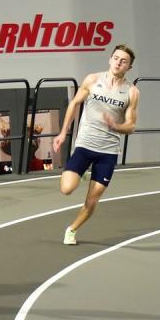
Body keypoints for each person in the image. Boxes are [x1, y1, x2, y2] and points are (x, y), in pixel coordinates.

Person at [51, 45, 139, 244]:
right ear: (110, 59)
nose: (118, 63)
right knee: (66, 189)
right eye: (116, 58)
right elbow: (74, 104)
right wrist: (63, 133)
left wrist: (115, 125)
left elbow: (131, 126)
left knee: (92, 200)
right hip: (85, 145)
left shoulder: (132, 92)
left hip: (107, 152)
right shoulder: (92, 80)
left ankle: (72, 230)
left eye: (123, 61)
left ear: (129, 67)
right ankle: (82, 174)